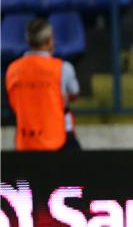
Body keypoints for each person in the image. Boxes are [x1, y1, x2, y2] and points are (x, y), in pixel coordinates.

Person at [5, 18, 81, 151]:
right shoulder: (63, 68)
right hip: (58, 140)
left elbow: (12, 101)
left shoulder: (12, 70)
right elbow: (74, 93)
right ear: (49, 41)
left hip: (25, 141)